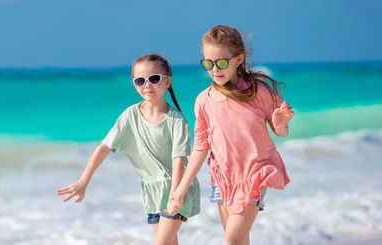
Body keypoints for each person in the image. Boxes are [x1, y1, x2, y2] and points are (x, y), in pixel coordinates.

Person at [165, 24, 295, 245]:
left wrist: (280, 124)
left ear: (239, 59)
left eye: (222, 62)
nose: (215, 69)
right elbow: (200, 148)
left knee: (231, 241)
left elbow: (281, 132)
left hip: (255, 173)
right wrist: (180, 189)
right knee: (240, 241)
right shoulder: (203, 100)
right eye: (208, 63)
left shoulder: (258, 91)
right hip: (222, 178)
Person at [57, 53, 201, 245]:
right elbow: (103, 148)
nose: (147, 85)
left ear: (167, 82)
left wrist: (176, 194)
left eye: (154, 78)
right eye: (140, 81)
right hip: (152, 190)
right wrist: (83, 182)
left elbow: (178, 163)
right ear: (135, 84)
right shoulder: (130, 116)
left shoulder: (177, 121)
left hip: (176, 187)